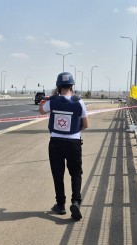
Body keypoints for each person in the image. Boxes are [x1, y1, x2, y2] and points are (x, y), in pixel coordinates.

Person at [39, 72, 88, 220]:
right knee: (76, 173)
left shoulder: (52, 102)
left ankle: (60, 205)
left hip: (55, 143)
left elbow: (41, 111)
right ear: (72, 86)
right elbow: (86, 124)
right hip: (73, 143)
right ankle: (76, 202)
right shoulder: (79, 102)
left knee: (58, 174)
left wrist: (45, 101)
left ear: (58, 86)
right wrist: (72, 132)